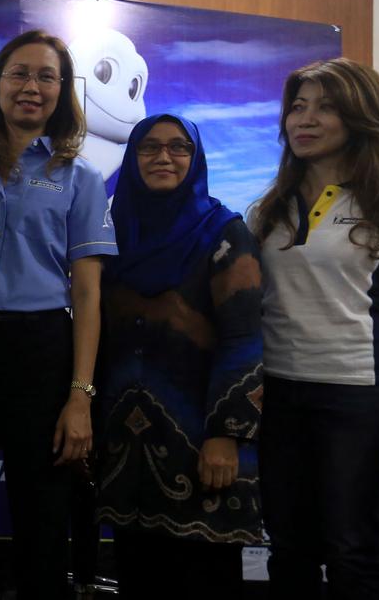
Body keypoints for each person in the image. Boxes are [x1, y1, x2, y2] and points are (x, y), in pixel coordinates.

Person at [0, 29, 117, 600]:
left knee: (42, 508)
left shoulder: (80, 177)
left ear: (63, 92)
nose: (31, 87)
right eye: (19, 74)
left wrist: (80, 394)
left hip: (42, 349)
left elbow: (88, 295)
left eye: (46, 76)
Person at [96, 114, 264, 600]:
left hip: (202, 447)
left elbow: (244, 339)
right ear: (132, 158)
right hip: (127, 450)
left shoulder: (224, 233)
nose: (163, 157)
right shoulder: (111, 234)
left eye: (177, 147)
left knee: (203, 578)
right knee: (139, 574)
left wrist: (227, 435)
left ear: (196, 158)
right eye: (148, 148)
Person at [252, 58, 379, 599]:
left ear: (358, 116)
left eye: (325, 107)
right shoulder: (268, 209)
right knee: (289, 545)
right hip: (280, 393)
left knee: (353, 547)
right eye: (298, 106)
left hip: (357, 392)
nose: (304, 120)